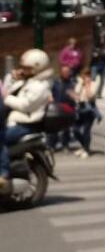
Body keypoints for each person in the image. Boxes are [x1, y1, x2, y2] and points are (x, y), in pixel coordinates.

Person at [1, 50, 54, 195]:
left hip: (25, 125)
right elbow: (7, 90)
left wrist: (6, 98)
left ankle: (3, 174)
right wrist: (12, 78)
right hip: (12, 121)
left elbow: (25, 105)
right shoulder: (28, 81)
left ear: (37, 68)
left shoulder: (40, 86)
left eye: (27, 68)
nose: (23, 70)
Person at [72, 71, 99, 158]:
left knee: (86, 131)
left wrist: (87, 86)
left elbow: (90, 96)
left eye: (87, 77)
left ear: (90, 77)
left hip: (89, 110)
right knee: (75, 130)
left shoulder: (94, 84)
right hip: (80, 109)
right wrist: (80, 86)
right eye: (83, 77)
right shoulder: (79, 84)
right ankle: (84, 146)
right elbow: (76, 96)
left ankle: (86, 150)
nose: (85, 79)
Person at [50, 65, 76, 152]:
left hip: (68, 108)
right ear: (61, 72)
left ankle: (65, 145)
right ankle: (52, 145)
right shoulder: (56, 82)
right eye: (64, 72)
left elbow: (77, 95)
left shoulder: (72, 82)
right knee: (54, 128)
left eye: (67, 72)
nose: (66, 73)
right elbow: (50, 93)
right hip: (56, 107)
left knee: (66, 128)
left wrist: (73, 95)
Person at [90, 35, 105, 100]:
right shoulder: (94, 47)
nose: (102, 40)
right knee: (93, 80)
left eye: (103, 39)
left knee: (103, 81)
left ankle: (99, 94)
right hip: (95, 66)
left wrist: (99, 54)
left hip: (104, 66)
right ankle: (90, 93)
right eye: (101, 39)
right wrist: (101, 54)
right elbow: (94, 56)